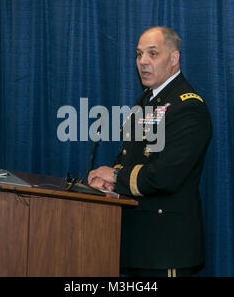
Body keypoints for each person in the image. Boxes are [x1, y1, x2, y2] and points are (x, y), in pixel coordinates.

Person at [88, 26, 212, 277]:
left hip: (165, 247)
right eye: (138, 54)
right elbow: (130, 156)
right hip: (138, 243)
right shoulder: (147, 101)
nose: (143, 61)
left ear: (174, 59)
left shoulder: (187, 108)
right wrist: (107, 182)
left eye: (153, 54)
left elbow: (165, 176)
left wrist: (115, 176)